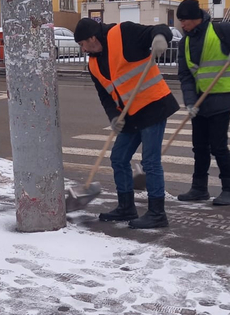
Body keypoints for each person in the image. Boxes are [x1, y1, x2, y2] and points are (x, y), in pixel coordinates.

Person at [74, 18, 179, 229]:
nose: (82, 48)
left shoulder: (122, 33)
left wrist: (160, 38)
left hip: (152, 105)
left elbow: (156, 29)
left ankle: (157, 213)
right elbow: (105, 95)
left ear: (92, 38)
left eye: (82, 44)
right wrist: (113, 116)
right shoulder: (93, 64)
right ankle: (126, 206)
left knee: (150, 162)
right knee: (119, 158)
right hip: (129, 114)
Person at [176, 0, 230, 206]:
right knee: (199, 147)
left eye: (184, 20)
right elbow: (185, 76)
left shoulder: (221, 30)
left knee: (218, 146)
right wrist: (189, 102)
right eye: (180, 20)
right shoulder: (184, 43)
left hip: (221, 99)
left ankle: (229, 189)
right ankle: (199, 188)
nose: (182, 24)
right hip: (199, 102)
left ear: (195, 18)